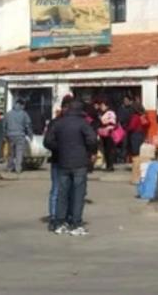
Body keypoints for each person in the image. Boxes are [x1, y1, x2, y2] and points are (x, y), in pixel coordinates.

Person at [44, 99, 99, 236]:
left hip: (63, 162)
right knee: (78, 194)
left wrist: (61, 148)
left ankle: (59, 223)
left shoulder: (58, 123)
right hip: (80, 163)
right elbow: (92, 140)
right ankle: (76, 223)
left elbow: (47, 141)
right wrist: (89, 151)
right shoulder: (83, 124)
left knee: (62, 193)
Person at [46, 94, 73, 231]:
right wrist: (61, 147)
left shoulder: (74, 122)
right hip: (58, 160)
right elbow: (48, 142)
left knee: (67, 190)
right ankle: (54, 217)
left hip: (70, 161)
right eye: (66, 107)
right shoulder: (55, 123)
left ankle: (64, 217)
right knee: (57, 189)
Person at [3, 98, 33, 173]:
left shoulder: (8, 114)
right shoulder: (24, 114)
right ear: (22, 105)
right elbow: (28, 125)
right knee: (19, 152)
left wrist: (5, 135)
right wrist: (30, 135)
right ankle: (18, 168)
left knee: (11, 152)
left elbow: (4, 125)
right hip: (20, 135)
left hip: (10, 135)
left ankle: (10, 167)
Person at [96, 98, 118, 172]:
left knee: (109, 150)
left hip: (109, 134)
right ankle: (108, 164)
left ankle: (110, 165)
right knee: (105, 150)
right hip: (104, 134)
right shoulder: (102, 113)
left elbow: (112, 122)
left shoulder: (110, 113)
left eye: (103, 105)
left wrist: (102, 120)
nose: (101, 107)